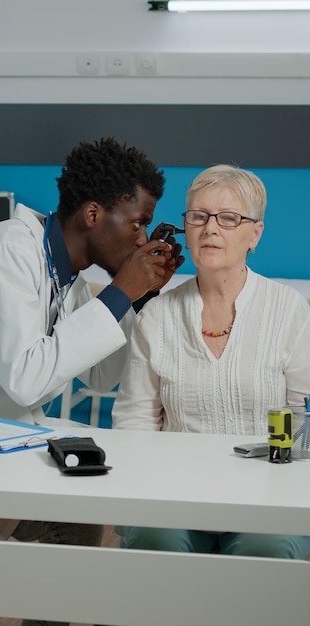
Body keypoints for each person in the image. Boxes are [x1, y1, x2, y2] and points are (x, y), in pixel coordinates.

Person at [0, 137, 184, 626]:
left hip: (3, 434)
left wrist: (135, 300)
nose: (143, 239)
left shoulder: (69, 276)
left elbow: (100, 374)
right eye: (138, 222)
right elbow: (27, 377)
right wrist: (122, 289)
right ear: (94, 215)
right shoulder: (4, 255)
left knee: (80, 521)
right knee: (70, 534)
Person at [112, 164, 310, 560]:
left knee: (263, 550)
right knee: (156, 544)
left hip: (267, 498)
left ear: (255, 233)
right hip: (174, 494)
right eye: (198, 216)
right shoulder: (156, 315)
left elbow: (304, 425)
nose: (210, 228)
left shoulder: (290, 311)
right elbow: (134, 422)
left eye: (229, 218)